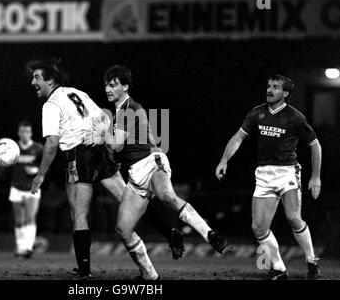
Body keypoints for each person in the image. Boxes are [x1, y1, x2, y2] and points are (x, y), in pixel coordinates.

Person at [28, 59, 182, 280]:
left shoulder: (51, 105)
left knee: (79, 215)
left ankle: (84, 272)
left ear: (50, 81)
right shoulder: (77, 92)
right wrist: (108, 148)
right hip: (99, 149)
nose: (33, 82)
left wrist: (40, 175)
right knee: (129, 201)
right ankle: (170, 232)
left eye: (37, 78)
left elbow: (52, 142)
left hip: (78, 155)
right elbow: (102, 117)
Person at [98, 65, 228, 280]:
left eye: (113, 85)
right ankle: (150, 275)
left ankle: (210, 235)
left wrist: (99, 129)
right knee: (123, 229)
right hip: (136, 172)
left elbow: (117, 146)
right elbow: (123, 148)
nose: (108, 89)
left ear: (125, 86)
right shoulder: (122, 110)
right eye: (106, 85)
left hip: (151, 161)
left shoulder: (130, 107)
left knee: (166, 196)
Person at [215, 74, 322, 280]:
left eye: (275, 87)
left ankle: (311, 260)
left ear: (285, 93)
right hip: (264, 174)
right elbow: (238, 137)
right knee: (258, 228)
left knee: (293, 218)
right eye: (268, 86)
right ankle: (279, 269)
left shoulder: (294, 117)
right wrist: (224, 160)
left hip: (287, 171)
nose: (269, 90)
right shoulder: (257, 113)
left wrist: (315, 177)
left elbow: (315, 145)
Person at [0, 121, 43, 258]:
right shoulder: (12, 148)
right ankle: (20, 248)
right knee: (19, 220)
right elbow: (2, 161)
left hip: (32, 188)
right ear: (19, 133)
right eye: (22, 131)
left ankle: (28, 248)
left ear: (31, 133)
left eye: (27, 131)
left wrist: (35, 170)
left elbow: (46, 165)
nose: (25, 134)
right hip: (16, 187)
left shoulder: (38, 148)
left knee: (30, 217)